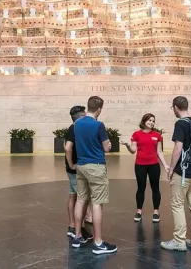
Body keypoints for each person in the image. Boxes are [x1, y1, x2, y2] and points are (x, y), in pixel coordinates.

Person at [72, 96, 117, 255]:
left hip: (81, 166)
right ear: (99, 109)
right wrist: (108, 144)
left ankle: (77, 237)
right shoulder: (99, 125)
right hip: (96, 166)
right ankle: (98, 243)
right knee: (97, 203)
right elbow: (106, 148)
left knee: (81, 199)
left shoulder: (77, 123)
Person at [161, 96, 191, 252]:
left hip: (183, 172)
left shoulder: (181, 124)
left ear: (175, 107)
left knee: (177, 205)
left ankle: (179, 240)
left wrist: (171, 169)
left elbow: (178, 148)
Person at [121, 113, 169, 223]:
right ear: (144, 121)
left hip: (154, 165)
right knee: (140, 188)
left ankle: (156, 212)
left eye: (153, 121)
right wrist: (128, 145)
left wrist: (165, 164)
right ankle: (139, 211)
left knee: (155, 188)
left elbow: (159, 151)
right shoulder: (136, 134)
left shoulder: (157, 135)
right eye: (149, 120)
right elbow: (133, 150)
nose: (151, 122)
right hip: (140, 165)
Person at [64, 105, 93, 241]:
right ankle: (77, 231)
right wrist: (71, 165)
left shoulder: (73, 128)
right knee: (82, 200)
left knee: (73, 196)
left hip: (73, 169)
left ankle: (72, 226)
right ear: (81, 116)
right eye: (85, 114)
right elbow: (67, 148)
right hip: (75, 170)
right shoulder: (75, 128)